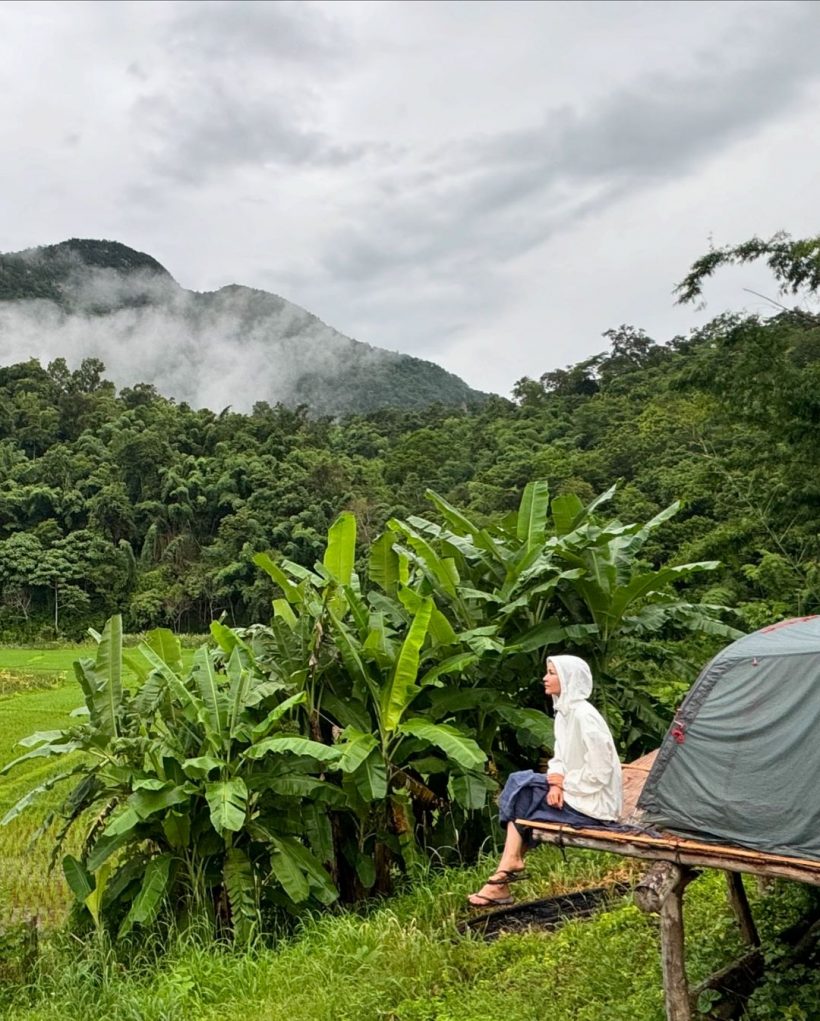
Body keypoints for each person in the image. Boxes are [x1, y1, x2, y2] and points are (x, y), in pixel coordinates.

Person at [468, 654, 622, 907]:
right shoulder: (564, 713)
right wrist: (555, 782)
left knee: (524, 790)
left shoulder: (584, 716)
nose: (545, 677)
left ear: (568, 679)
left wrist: (564, 784)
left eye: (552, 673)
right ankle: (503, 875)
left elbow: (601, 771)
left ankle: (503, 875)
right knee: (522, 786)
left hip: (594, 802)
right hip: (573, 790)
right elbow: (560, 756)